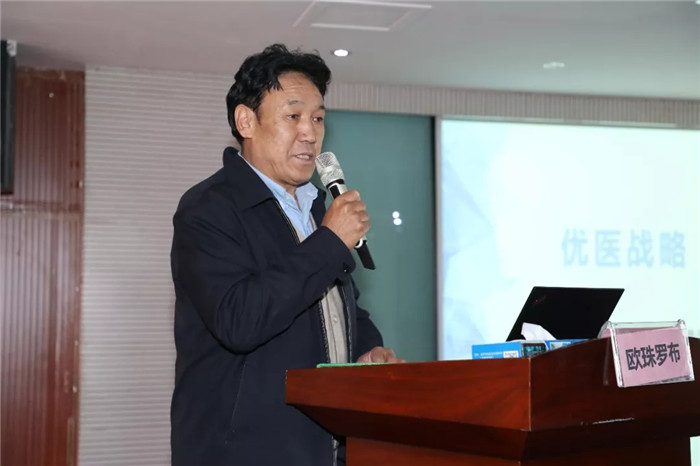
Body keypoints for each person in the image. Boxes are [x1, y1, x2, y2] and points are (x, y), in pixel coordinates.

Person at [170, 43, 403, 466]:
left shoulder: (315, 207)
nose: (310, 133)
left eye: (318, 118)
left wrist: (368, 350)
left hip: (325, 446)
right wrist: (330, 242)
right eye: (293, 116)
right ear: (246, 121)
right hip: (242, 453)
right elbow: (239, 320)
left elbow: (336, 307)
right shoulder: (209, 207)